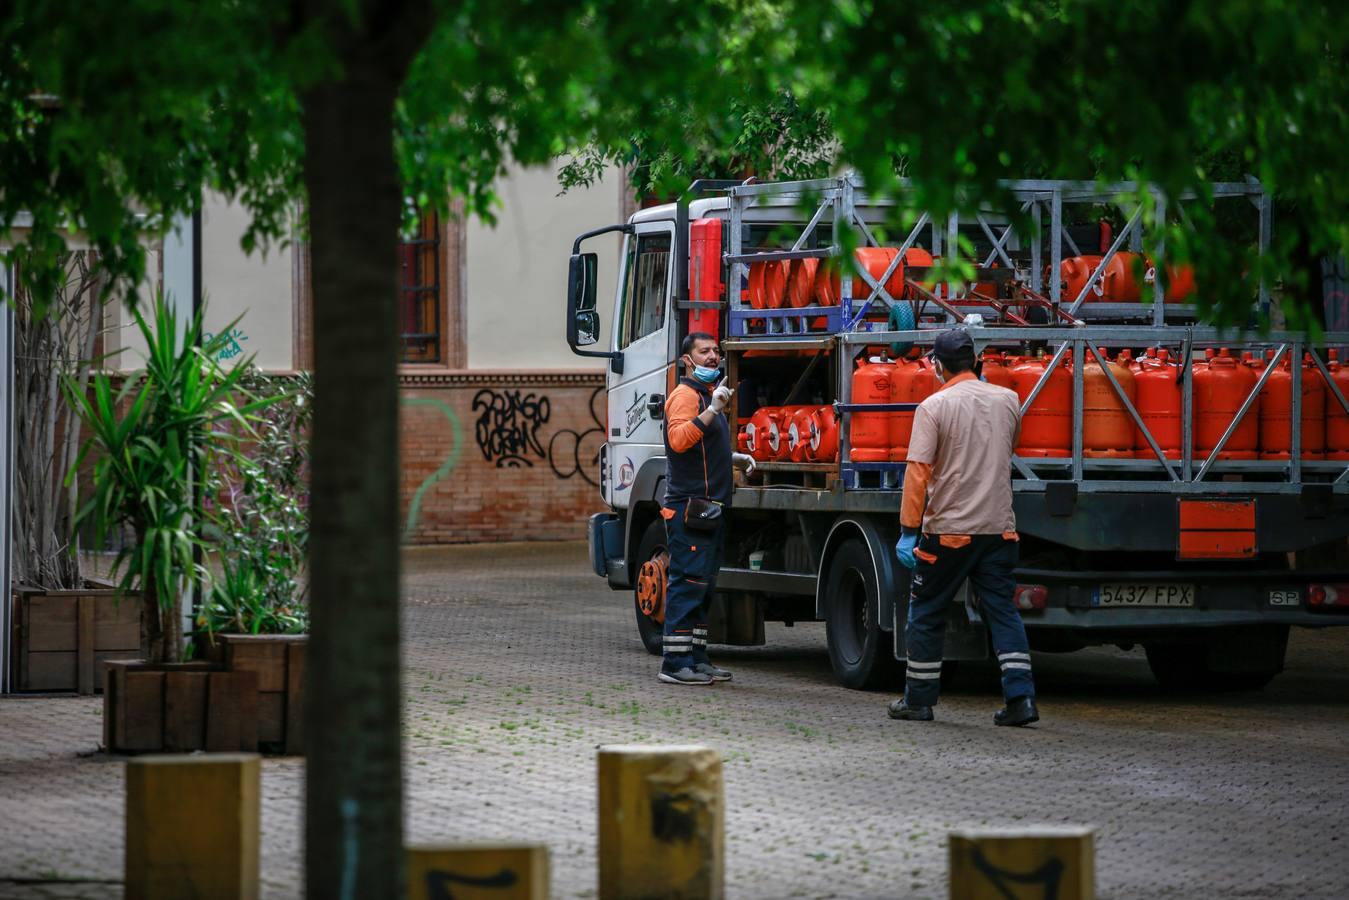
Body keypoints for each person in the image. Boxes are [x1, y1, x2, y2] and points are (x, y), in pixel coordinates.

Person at [888, 328, 1040, 726]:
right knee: (1003, 614)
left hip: (949, 532)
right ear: (976, 361)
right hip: (999, 529)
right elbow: (1010, 449)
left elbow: (918, 473)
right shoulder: (1009, 400)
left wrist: (908, 529)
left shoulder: (934, 406)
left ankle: (918, 700)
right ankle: (1021, 700)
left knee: (926, 612)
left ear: (937, 365)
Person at [659, 332, 756, 685]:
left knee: (703, 586)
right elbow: (679, 440)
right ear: (688, 360)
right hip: (689, 508)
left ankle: (697, 658)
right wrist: (713, 410)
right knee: (687, 584)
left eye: (715, 350)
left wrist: (733, 458)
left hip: (708, 508)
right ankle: (674, 663)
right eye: (705, 352)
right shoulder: (686, 396)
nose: (713, 356)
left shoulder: (704, 395)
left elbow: (701, 449)